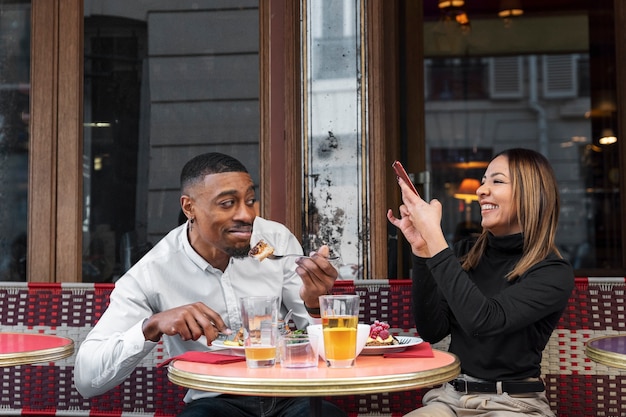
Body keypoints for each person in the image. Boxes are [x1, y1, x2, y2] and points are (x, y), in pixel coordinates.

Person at [74, 152, 347, 417]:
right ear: (189, 207)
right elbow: (86, 379)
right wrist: (151, 326)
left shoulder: (275, 240)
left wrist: (313, 305)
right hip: (216, 401)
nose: (246, 215)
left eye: (250, 200)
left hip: (290, 395)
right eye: (227, 203)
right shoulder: (153, 271)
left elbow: (322, 349)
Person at [387, 148, 574, 417]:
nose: (481, 190)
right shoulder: (466, 253)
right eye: (483, 180)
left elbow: (485, 321)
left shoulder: (552, 271)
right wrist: (422, 250)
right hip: (450, 398)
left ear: (532, 194)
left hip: (513, 404)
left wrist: (435, 239)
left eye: (496, 181)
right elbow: (432, 330)